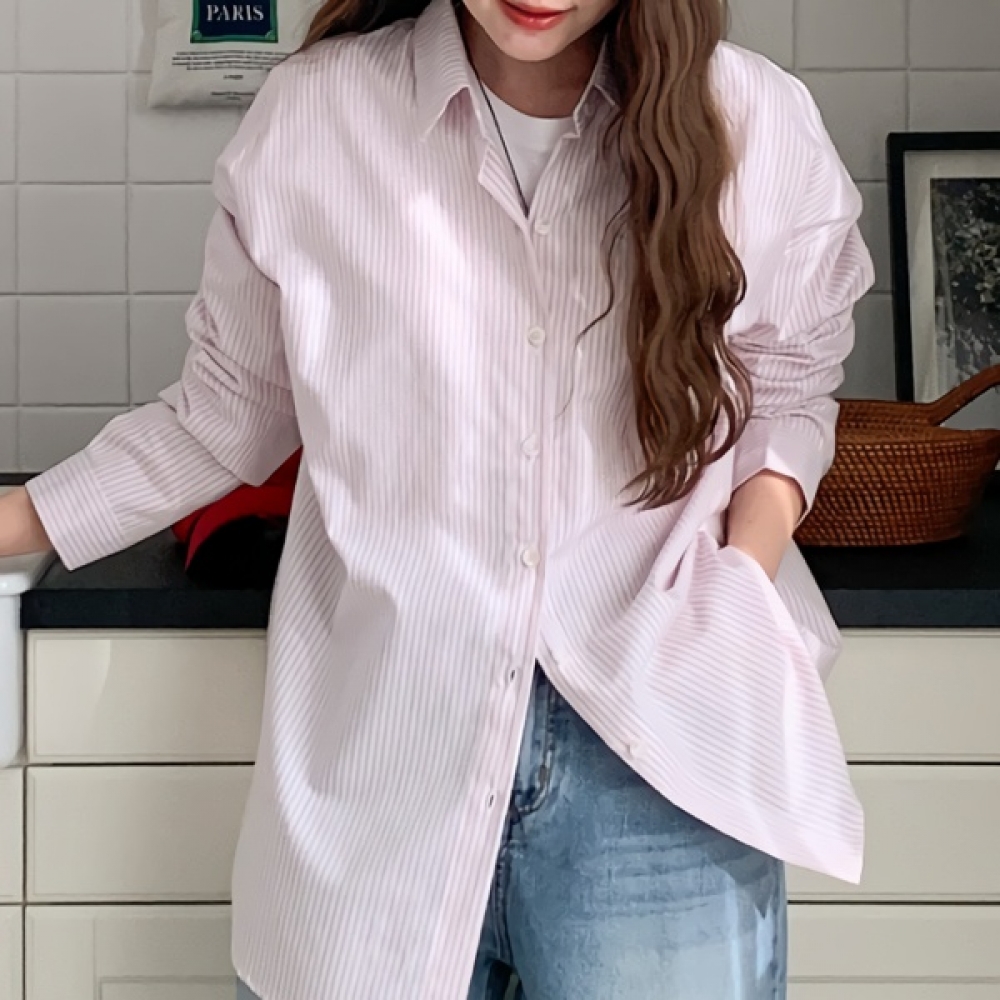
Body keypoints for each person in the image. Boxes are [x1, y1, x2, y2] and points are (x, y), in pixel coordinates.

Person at [0, 0, 875, 994]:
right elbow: (227, 411)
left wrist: (741, 574)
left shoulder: (754, 120)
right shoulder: (316, 116)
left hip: (663, 751)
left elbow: (787, 388)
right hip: (386, 754)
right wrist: (21, 520)